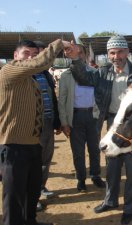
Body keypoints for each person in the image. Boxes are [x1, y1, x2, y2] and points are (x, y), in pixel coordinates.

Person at [64, 35, 132, 225]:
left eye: (119, 52)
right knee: (112, 166)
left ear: (127, 52)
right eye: (112, 52)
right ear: (108, 54)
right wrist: (75, 58)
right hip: (112, 124)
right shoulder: (102, 73)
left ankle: (129, 208)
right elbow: (82, 77)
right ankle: (110, 201)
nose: (116, 56)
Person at [0, 39, 70, 225]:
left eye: (34, 54)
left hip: (32, 145)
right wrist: (59, 44)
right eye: (26, 54)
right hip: (13, 146)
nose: (31, 58)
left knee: (31, 192)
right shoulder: (9, 71)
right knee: (14, 198)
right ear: (15, 56)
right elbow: (41, 62)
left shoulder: (31, 81)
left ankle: (30, 221)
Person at [58, 44, 105, 192]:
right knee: (78, 152)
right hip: (75, 117)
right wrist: (64, 122)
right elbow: (62, 100)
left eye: (81, 54)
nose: (79, 57)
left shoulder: (95, 73)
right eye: (75, 53)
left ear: (85, 56)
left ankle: (96, 175)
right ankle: (81, 179)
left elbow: (101, 96)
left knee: (94, 149)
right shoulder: (66, 76)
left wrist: (99, 117)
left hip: (92, 116)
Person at [32, 41, 62, 211]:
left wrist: (56, 122)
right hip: (32, 126)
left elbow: (53, 99)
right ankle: (32, 196)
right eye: (40, 53)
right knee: (33, 161)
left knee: (46, 159)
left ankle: (41, 187)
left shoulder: (46, 75)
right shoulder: (26, 74)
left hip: (48, 123)